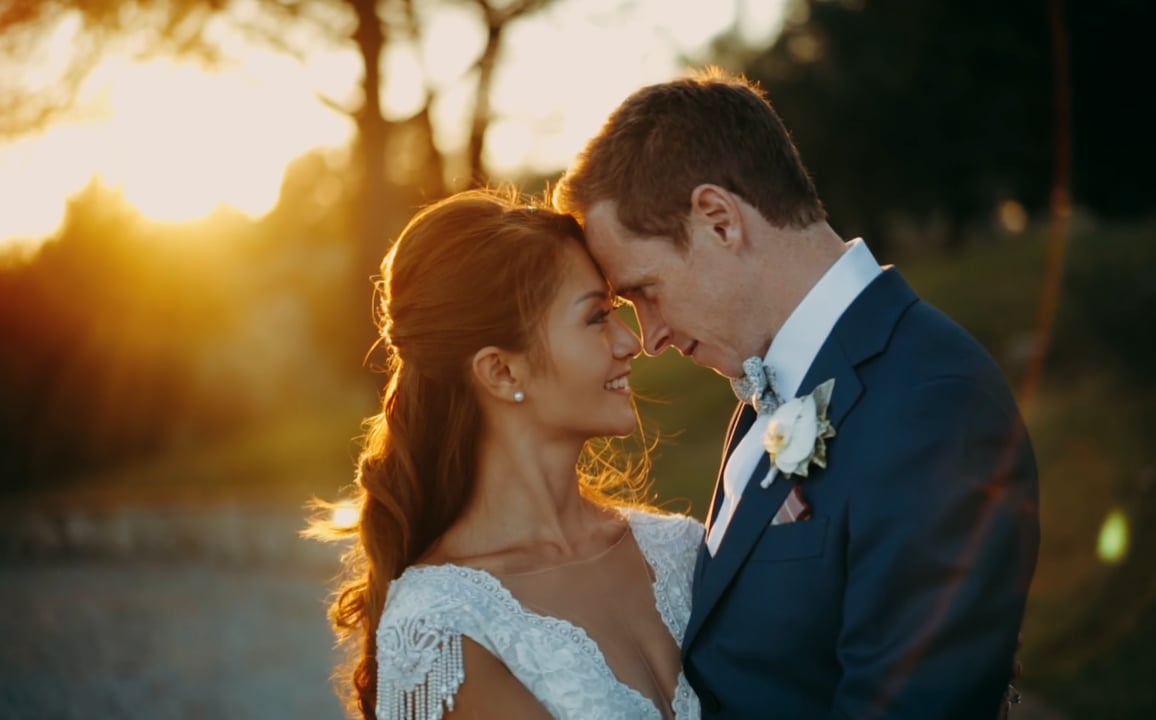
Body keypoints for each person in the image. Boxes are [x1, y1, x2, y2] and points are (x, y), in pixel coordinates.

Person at [553, 68, 1041, 718]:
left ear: (719, 220)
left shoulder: (933, 402)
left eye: (645, 290)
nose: (651, 338)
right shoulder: (770, 387)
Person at [310, 190, 705, 719]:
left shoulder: (682, 548)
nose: (629, 342)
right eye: (595, 317)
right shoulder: (442, 627)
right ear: (501, 371)